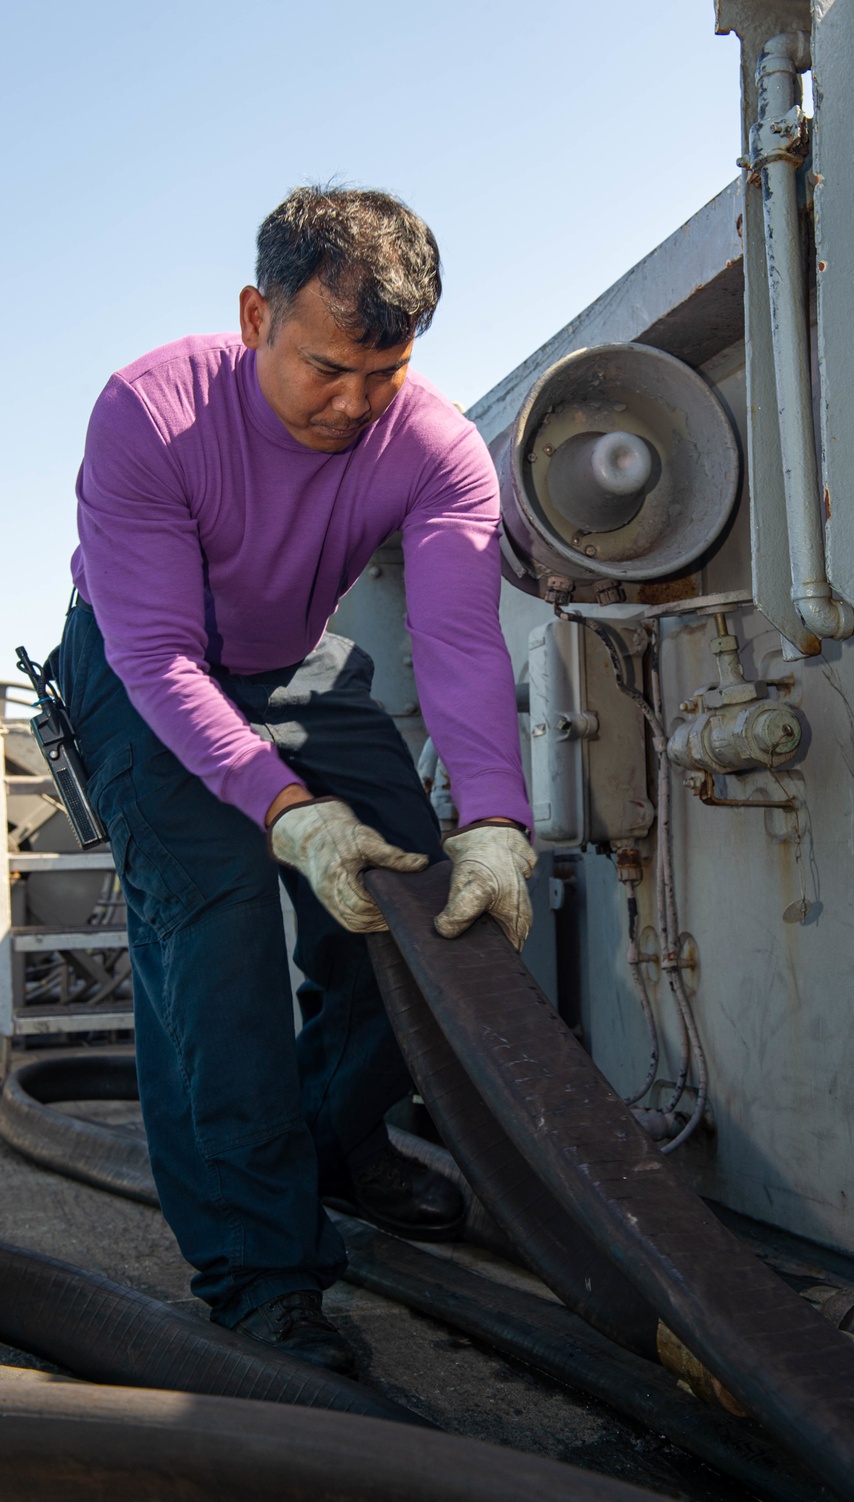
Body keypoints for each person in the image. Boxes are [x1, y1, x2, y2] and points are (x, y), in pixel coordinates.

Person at [57, 184, 535, 1376]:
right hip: (139, 660)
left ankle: (331, 1131)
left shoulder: (433, 448)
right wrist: (285, 810)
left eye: (384, 374)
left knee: (424, 886)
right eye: (326, 367)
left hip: (295, 661)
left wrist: (497, 820)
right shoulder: (151, 411)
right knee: (214, 925)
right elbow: (161, 655)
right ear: (254, 312)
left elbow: (464, 646)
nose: (352, 403)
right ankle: (261, 1271)